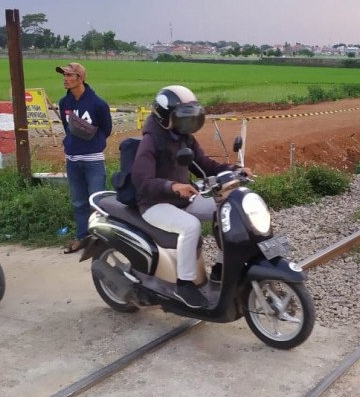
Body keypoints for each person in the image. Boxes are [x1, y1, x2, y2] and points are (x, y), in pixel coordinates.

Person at [131, 85, 251, 308]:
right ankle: (184, 284)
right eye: (182, 118)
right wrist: (173, 186)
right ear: (165, 116)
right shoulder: (151, 140)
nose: (188, 124)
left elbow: (203, 164)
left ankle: (220, 267)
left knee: (224, 206)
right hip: (154, 204)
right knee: (191, 226)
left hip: (181, 201)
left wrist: (233, 170)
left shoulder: (183, 137)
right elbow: (141, 180)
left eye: (191, 118)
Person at [56, 62, 113, 254]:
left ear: (80, 78)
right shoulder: (64, 103)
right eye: (64, 75)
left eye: (69, 75)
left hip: (93, 160)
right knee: (78, 202)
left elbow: (107, 129)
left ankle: (99, 239)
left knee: (97, 201)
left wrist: (92, 143)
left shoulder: (98, 104)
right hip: (72, 160)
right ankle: (81, 237)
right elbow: (67, 129)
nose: (65, 78)